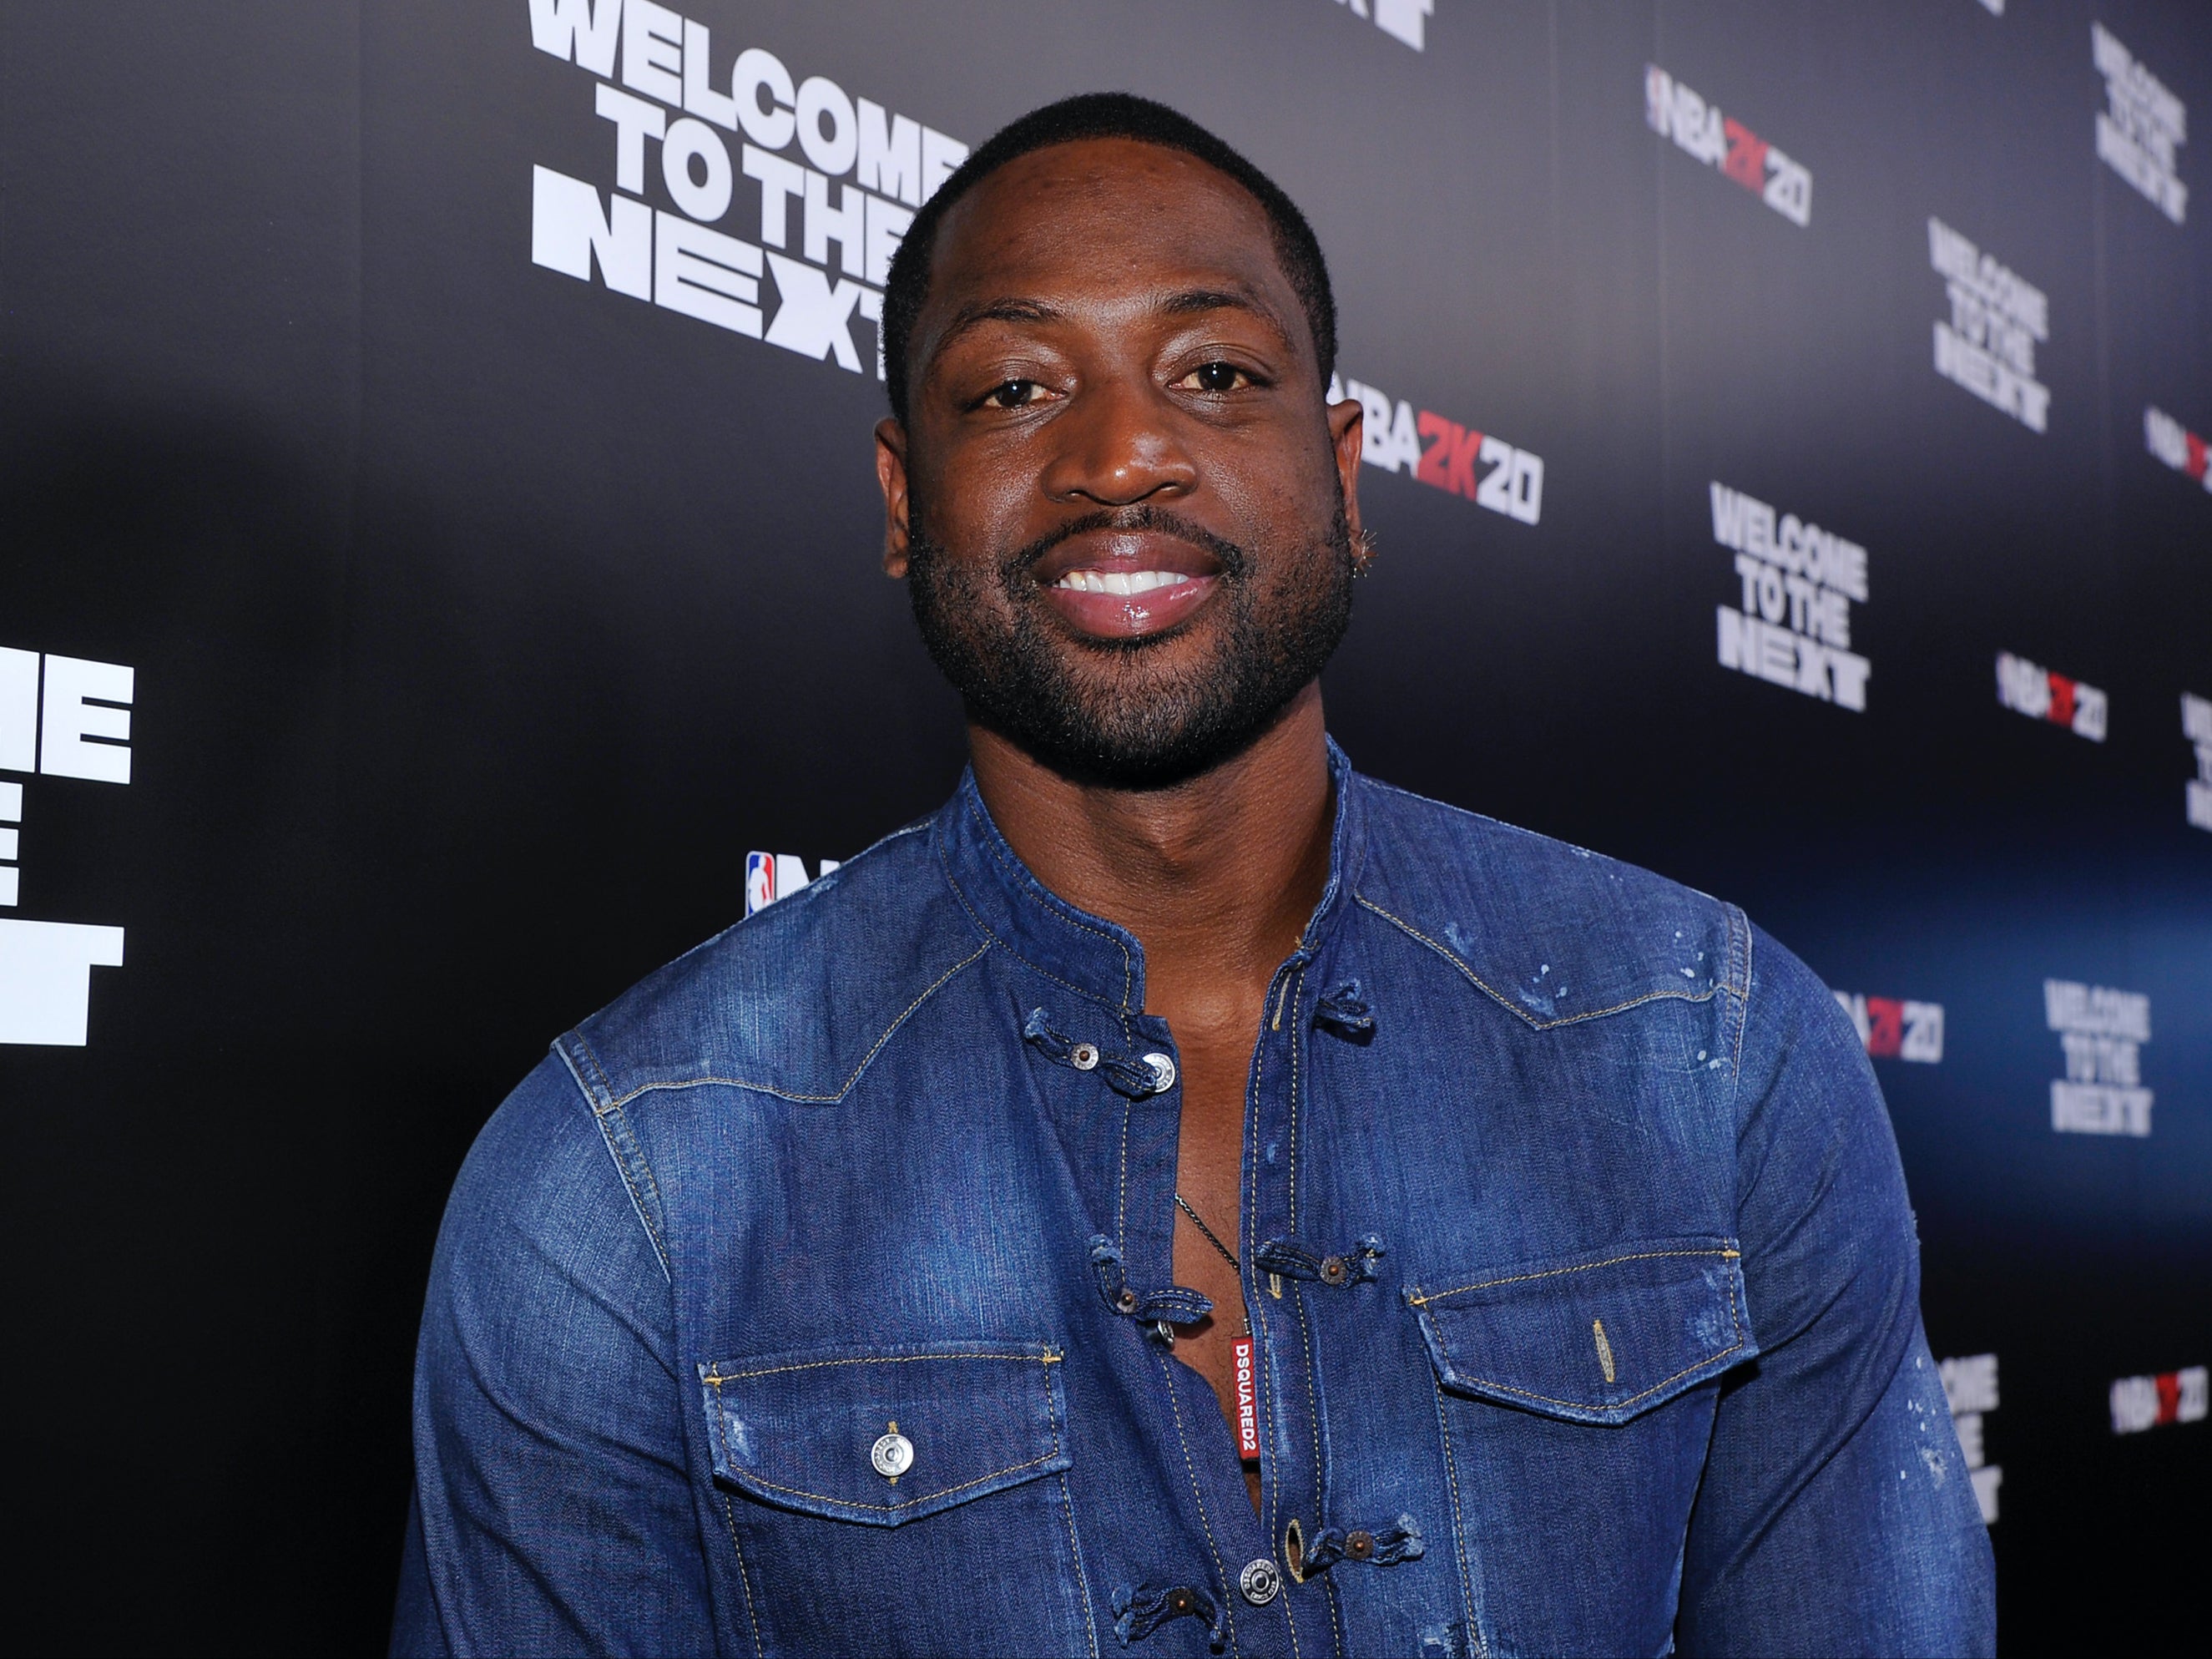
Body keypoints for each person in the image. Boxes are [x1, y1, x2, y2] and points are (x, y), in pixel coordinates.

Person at [394, 93, 1996, 1659]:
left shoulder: (1708, 1050)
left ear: (1347, 475)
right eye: (1016, 389)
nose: (1122, 454)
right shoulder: (631, 1179)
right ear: (903, 502)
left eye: (1215, 372)